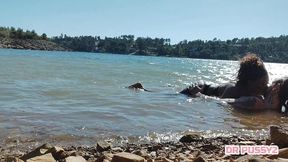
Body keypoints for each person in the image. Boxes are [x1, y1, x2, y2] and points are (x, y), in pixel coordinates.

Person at [180, 53, 269, 99]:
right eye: (261, 84)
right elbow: (221, 103)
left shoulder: (259, 89)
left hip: (209, 85)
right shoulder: (233, 89)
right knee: (176, 96)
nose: (265, 87)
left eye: (266, 83)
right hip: (202, 88)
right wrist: (199, 95)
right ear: (249, 82)